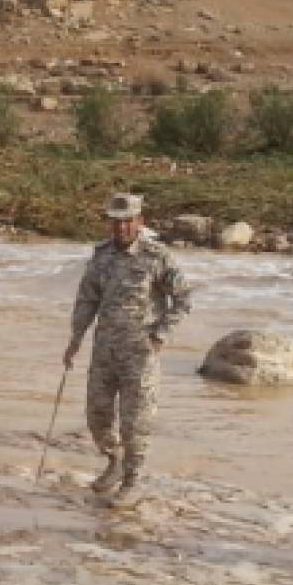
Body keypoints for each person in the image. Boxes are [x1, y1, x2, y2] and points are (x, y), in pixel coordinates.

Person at [62, 194, 191, 508]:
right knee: (97, 416)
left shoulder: (157, 256)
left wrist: (160, 335)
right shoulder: (101, 255)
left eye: (128, 221)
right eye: (116, 221)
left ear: (140, 221)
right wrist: (75, 338)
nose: (121, 227)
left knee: (135, 422)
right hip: (104, 351)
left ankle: (133, 481)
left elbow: (183, 299)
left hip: (140, 353)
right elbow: (88, 298)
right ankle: (114, 460)